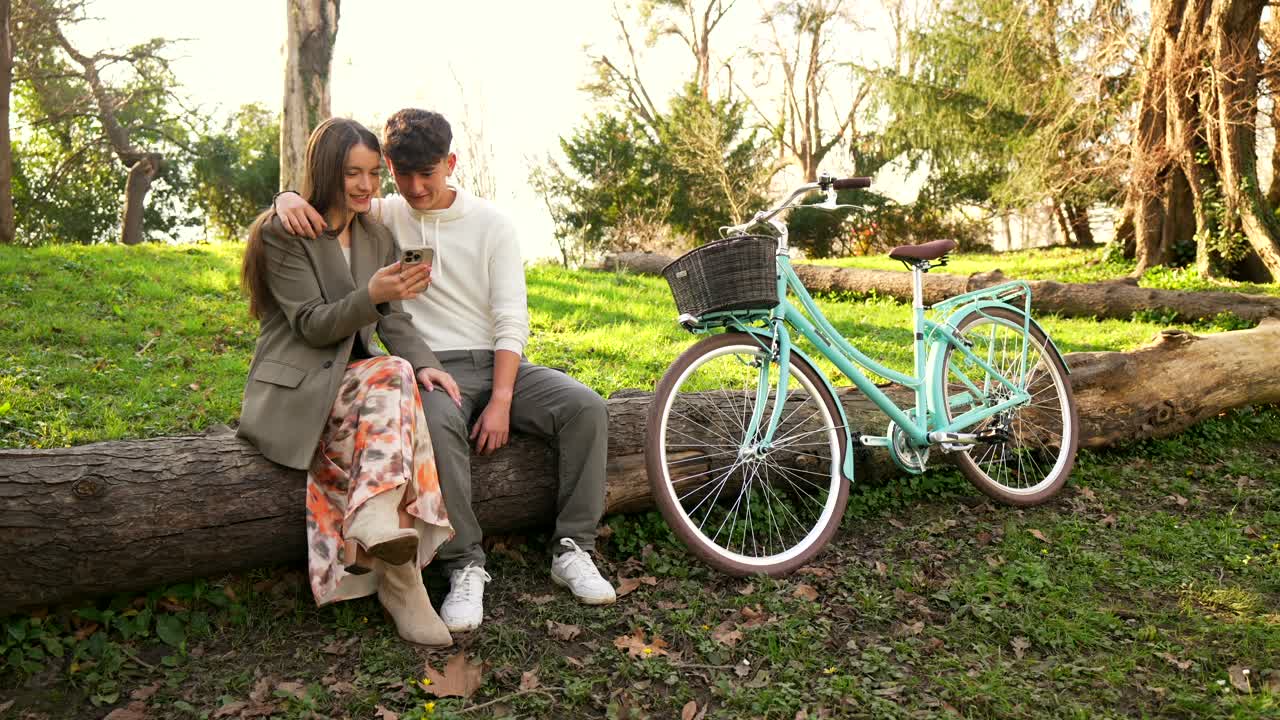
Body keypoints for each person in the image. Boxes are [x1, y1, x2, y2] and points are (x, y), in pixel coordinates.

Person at [274, 109, 615, 633]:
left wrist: (502, 399)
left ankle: (574, 547)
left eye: (427, 174)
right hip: (428, 368)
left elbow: (511, 318)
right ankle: (464, 564)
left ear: (450, 164)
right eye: (402, 174)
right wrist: (284, 197)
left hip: (499, 362)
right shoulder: (382, 213)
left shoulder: (492, 225)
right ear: (389, 169)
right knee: (435, 424)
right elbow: (329, 197)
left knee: (585, 408)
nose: (414, 188)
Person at [238, 117, 462, 646]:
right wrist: (371, 294)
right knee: (390, 376)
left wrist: (426, 362)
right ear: (325, 172)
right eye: (351, 173)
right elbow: (312, 325)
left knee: (399, 371)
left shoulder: (376, 235)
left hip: (359, 389)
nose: (366, 185)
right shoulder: (284, 231)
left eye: (372, 173)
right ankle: (403, 580)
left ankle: (387, 544)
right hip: (299, 388)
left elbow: (393, 321)